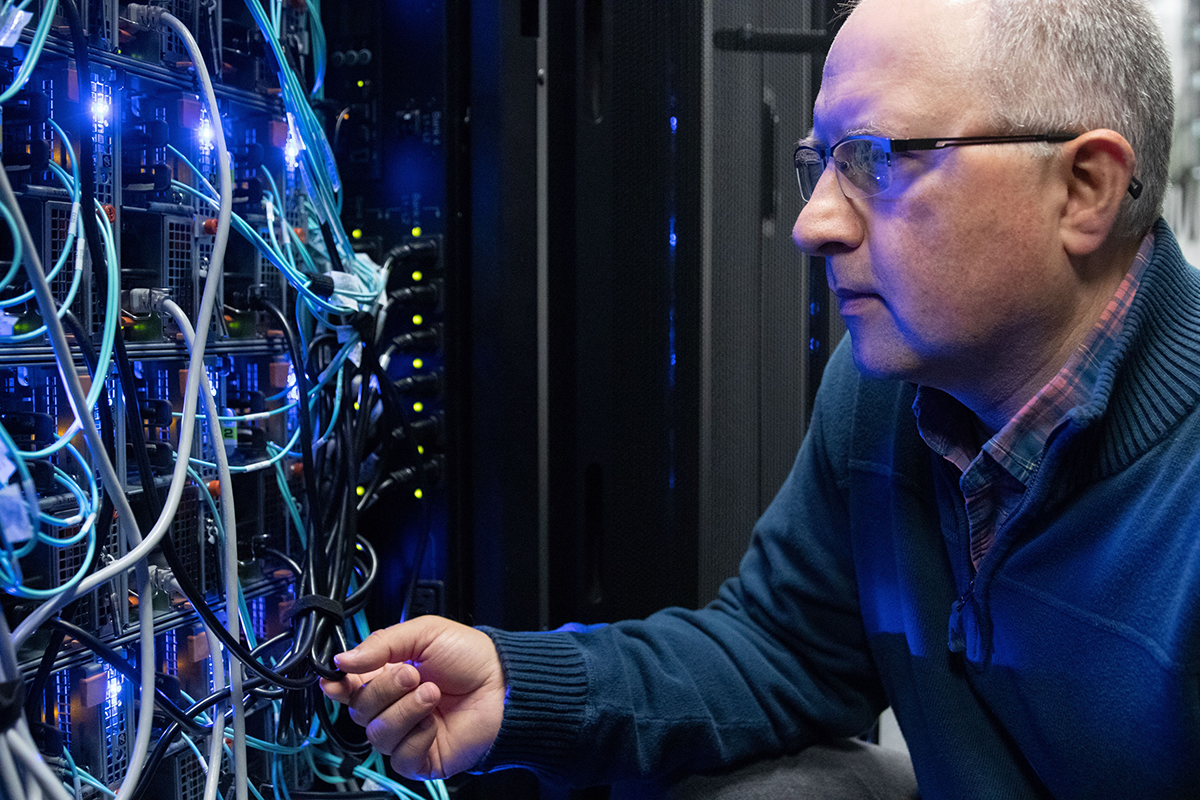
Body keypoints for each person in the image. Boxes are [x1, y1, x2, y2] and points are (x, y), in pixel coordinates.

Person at [322, 0, 1200, 796]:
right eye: (820, 161)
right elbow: (780, 653)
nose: (816, 223)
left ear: (1082, 188)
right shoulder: (883, 394)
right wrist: (516, 690)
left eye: (877, 160)